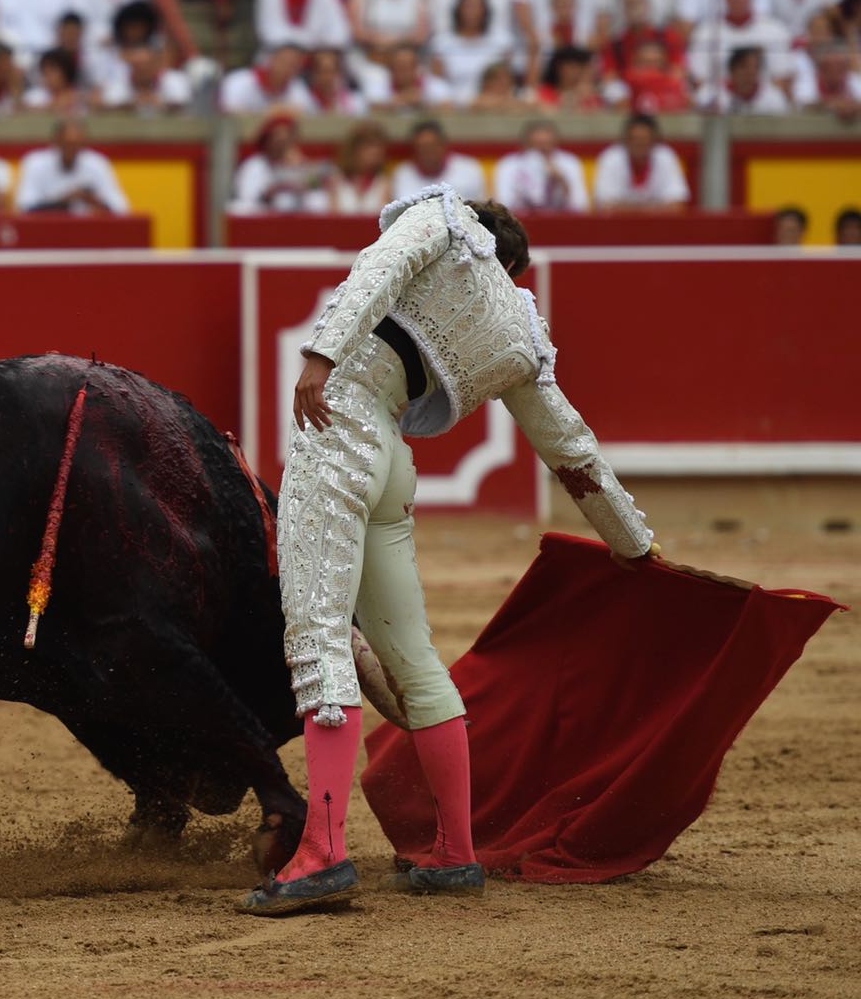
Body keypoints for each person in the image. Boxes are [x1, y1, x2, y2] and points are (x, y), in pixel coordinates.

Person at [238, 185, 656, 915]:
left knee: (318, 640)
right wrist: (634, 543)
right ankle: (455, 852)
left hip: (339, 431)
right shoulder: (521, 336)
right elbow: (571, 450)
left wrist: (320, 354)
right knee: (416, 658)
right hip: (393, 463)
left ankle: (324, 854)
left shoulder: (440, 219)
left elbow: (379, 270)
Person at [14, 118, 130, 215]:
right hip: (46, 232)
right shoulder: (35, 163)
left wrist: (93, 200)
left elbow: (122, 208)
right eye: (68, 143)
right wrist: (64, 201)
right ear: (56, 141)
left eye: (78, 144)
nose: (73, 149)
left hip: (87, 232)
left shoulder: (97, 164)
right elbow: (24, 207)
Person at [230, 112, 333, 215]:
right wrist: (272, 191)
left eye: (287, 138)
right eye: (277, 138)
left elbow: (317, 189)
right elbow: (247, 200)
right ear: (267, 141)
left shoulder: (301, 163)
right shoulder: (255, 165)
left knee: (317, 200)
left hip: (299, 219)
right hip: (264, 220)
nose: (282, 143)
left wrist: (299, 170)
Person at [592, 113, 690, 211]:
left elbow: (678, 205)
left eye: (644, 140)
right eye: (635, 139)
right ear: (625, 140)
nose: (639, 144)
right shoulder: (611, 158)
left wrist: (628, 208)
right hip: (618, 225)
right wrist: (654, 208)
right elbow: (605, 206)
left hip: (657, 225)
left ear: (654, 140)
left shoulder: (666, 156)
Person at [492, 120, 591, 212]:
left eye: (546, 145)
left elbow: (581, 206)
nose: (541, 151)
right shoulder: (508, 165)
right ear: (525, 144)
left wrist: (562, 183)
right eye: (536, 145)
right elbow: (503, 206)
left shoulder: (569, 163)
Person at [390, 120, 486, 200]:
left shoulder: (469, 169)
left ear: (443, 145)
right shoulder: (403, 174)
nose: (428, 152)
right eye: (422, 147)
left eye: (432, 146)